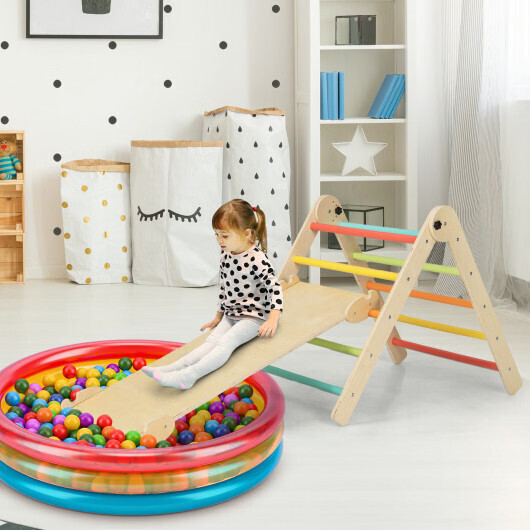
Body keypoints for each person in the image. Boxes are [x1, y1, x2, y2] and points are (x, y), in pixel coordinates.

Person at [143, 199, 284, 389]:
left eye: (224, 235)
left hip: (254, 317)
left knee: (226, 343)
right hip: (232, 314)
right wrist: (218, 316)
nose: (219, 240)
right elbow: (225, 287)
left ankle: (189, 377)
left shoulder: (258, 259)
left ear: (247, 234)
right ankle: (172, 369)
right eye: (216, 234)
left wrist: (273, 319)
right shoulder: (226, 255)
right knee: (210, 342)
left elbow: (274, 287)